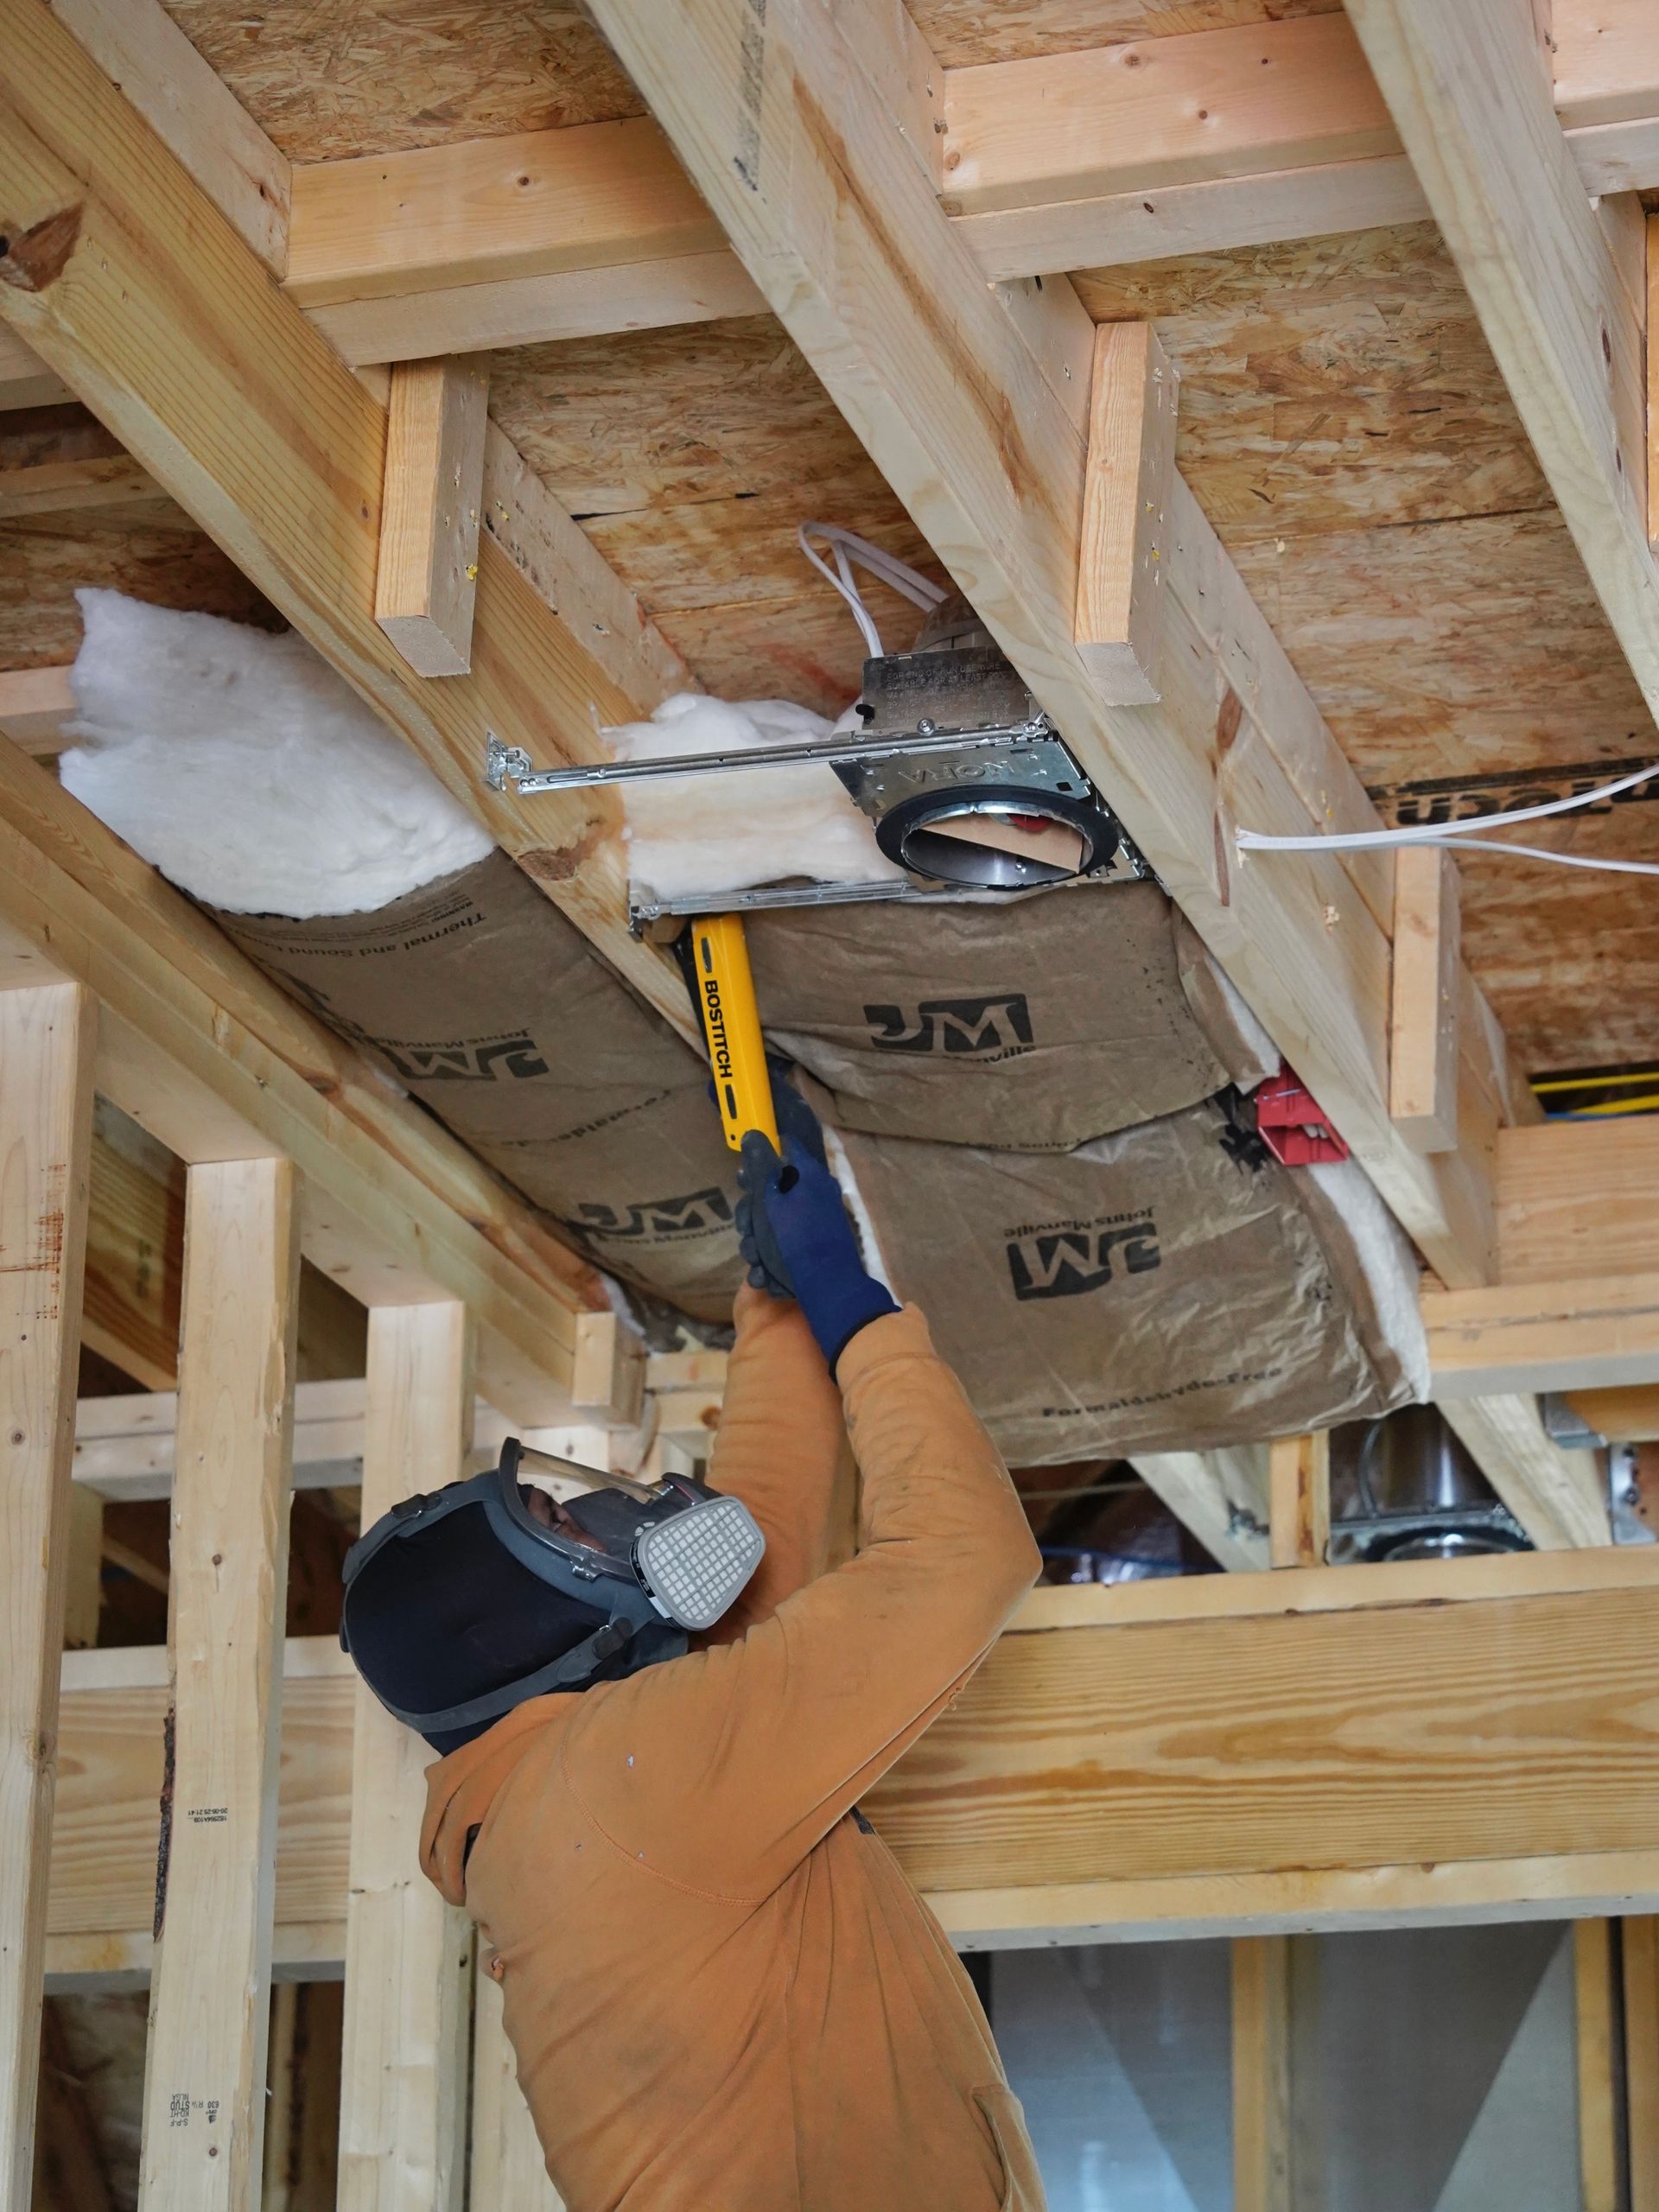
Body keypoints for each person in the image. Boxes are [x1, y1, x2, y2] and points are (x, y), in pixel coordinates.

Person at [340, 1088, 1047, 2211]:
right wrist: (852, 1308)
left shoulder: (569, 1791)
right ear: (510, 1633)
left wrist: (774, 1297)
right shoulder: (617, 1783)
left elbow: (756, 1543)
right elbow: (965, 1558)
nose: (609, 1519)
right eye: (564, 1529)